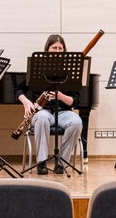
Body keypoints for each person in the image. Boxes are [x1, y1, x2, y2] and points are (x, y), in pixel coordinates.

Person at [17, 34, 84, 175]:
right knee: (42, 118)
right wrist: (26, 102)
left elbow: (76, 100)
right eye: (54, 48)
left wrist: (61, 96)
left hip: (64, 112)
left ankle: (62, 164)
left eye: (61, 48)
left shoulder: (70, 70)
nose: (58, 51)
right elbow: (18, 89)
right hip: (43, 111)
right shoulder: (38, 67)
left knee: (77, 122)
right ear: (47, 49)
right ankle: (41, 162)